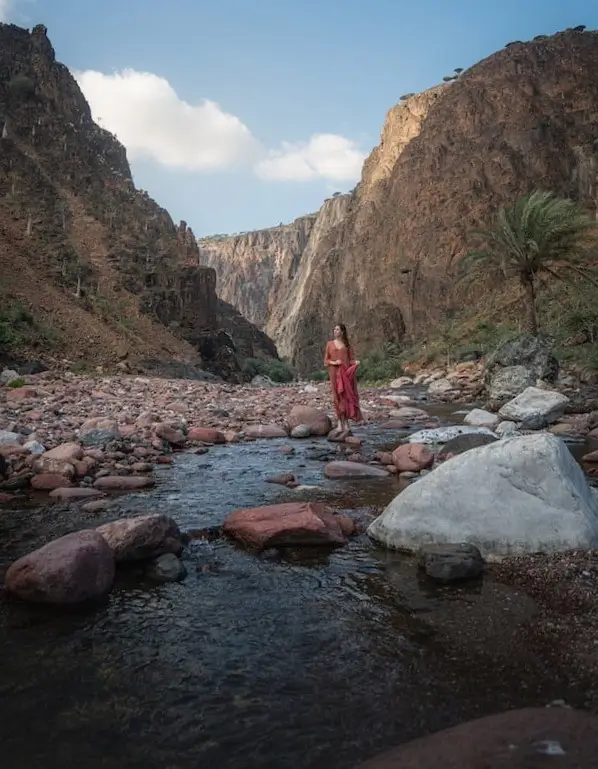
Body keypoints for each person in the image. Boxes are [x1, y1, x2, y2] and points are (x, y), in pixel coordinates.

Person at [324, 323, 363, 436]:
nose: (335, 331)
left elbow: (350, 360)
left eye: (337, 329)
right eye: (334, 329)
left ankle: (346, 422)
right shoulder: (330, 344)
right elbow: (326, 361)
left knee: (346, 397)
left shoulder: (347, 345)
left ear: (342, 332)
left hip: (346, 374)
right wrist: (335, 362)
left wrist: (355, 362)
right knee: (337, 396)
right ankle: (340, 423)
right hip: (334, 373)